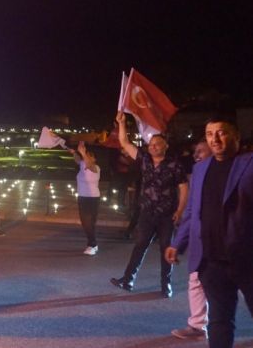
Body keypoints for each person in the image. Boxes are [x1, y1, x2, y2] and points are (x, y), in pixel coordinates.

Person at [165, 117, 253, 347]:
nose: (214, 139)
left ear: (236, 135)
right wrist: (178, 243)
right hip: (212, 261)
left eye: (221, 133)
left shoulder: (249, 164)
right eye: (209, 133)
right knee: (219, 322)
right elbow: (193, 210)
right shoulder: (201, 168)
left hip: (247, 260)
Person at [110, 111, 188, 297]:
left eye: (157, 144)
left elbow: (184, 188)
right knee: (140, 246)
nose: (153, 147)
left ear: (165, 146)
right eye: (151, 144)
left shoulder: (175, 165)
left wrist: (180, 210)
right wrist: (122, 123)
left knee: (165, 250)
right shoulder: (144, 160)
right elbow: (125, 143)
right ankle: (128, 280)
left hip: (167, 215)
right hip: (146, 213)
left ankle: (165, 285)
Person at [170, 138, 211, 341]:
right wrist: (177, 243)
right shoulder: (197, 175)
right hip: (200, 243)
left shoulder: (236, 171)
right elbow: (191, 212)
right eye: (195, 152)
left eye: (201, 151)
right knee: (196, 281)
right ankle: (197, 325)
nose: (195, 156)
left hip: (230, 245)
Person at [70, 141, 100, 255]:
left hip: (93, 198)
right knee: (86, 223)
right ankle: (93, 244)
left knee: (89, 223)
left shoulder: (96, 168)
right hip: (82, 197)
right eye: (87, 155)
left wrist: (83, 153)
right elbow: (78, 160)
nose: (87, 157)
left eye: (90, 156)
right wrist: (74, 152)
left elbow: (89, 165)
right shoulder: (82, 165)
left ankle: (92, 245)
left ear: (95, 159)